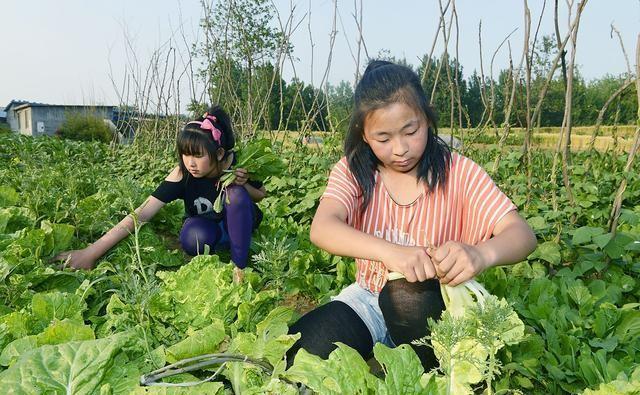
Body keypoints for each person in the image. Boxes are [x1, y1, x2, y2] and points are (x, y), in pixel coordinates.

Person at [286, 61, 537, 369]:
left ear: (427, 120)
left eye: (411, 131)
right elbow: (322, 228)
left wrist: (481, 254)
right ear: (363, 135)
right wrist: (389, 253)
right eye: (384, 138)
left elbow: (522, 234)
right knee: (297, 355)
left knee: (404, 294)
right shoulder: (354, 171)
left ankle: (432, 368)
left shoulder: (458, 172)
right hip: (368, 297)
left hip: (436, 304)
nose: (401, 148)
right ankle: (389, 353)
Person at [54, 106, 266, 283]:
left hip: (239, 220)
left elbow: (260, 195)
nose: (190, 163)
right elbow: (142, 213)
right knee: (193, 238)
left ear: (219, 154)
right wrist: (91, 252)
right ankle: (227, 242)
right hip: (210, 227)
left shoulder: (238, 164)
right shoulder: (182, 174)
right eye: (185, 154)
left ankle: (240, 267)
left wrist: (243, 184)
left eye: (198, 155)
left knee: (236, 195)